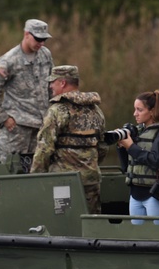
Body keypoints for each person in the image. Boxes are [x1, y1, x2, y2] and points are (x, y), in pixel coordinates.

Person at [30, 65, 108, 213]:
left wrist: (35, 178)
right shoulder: (96, 110)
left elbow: (44, 149)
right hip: (91, 179)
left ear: (62, 83)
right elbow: (103, 146)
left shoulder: (57, 110)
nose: (50, 85)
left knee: (64, 219)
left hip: (63, 181)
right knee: (90, 222)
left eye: (53, 81)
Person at [0, 18, 54, 172]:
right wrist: (2, 118)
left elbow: (51, 85)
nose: (41, 43)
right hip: (16, 129)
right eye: (38, 39)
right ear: (26, 34)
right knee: (11, 170)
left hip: (41, 126)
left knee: (39, 171)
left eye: (44, 40)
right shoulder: (9, 61)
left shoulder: (45, 55)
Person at [117, 90, 159, 225]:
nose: (135, 114)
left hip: (155, 193)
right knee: (138, 235)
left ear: (152, 111)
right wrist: (122, 147)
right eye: (135, 109)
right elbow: (126, 167)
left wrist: (131, 147)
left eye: (139, 110)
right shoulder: (138, 131)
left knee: (158, 234)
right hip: (135, 192)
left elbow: (157, 160)